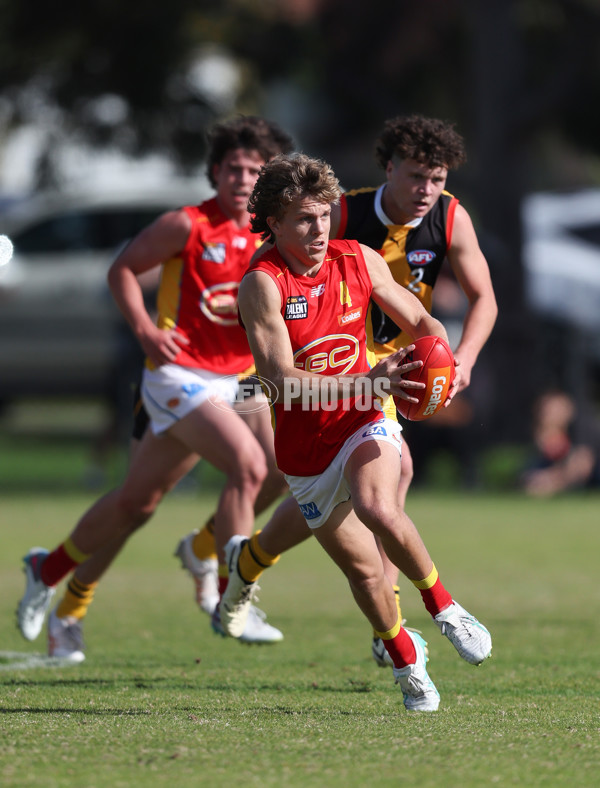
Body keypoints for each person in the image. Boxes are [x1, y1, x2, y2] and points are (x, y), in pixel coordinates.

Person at [219, 114, 498, 668]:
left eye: (437, 179)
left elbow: (478, 299)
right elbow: (278, 369)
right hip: (316, 369)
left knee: (381, 495)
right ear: (388, 169)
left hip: (379, 364)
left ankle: (398, 617)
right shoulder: (337, 212)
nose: (427, 190)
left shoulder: (447, 217)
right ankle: (247, 560)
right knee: (314, 491)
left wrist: (453, 362)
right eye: (417, 176)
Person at [16, 115, 293, 661]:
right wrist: (145, 331)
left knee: (142, 503)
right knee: (249, 466)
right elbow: (122, 269)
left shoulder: (271, 234)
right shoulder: (186, 224)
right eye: (233, 168)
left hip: (238, 378)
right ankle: (226, 596)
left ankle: (55, 574)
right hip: (180, 374)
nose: (242, 178)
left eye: (254, 170)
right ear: (215, 172)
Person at [520, 389, 600, 496]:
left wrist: (552, 481)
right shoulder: (538, 439)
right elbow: (529, 475)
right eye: (549, 410)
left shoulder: (583, 430)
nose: (554, 414)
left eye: (558, 408)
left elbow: (583, 466)